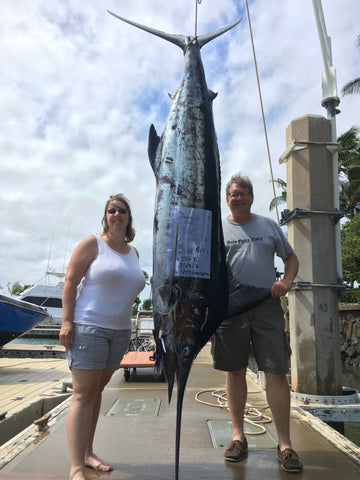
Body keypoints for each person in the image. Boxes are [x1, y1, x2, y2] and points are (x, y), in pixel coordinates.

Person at [212, 174, 302, 473]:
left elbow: (290, 258)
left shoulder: (268, 225)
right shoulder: (216, 228)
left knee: (275, 372)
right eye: (232, 194)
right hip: (230, 309)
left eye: (242, 194)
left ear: (251, 197)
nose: (237, 198)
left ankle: (285, 445)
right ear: (227, 199)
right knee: (235, 372)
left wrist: (286, 283)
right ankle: (238, 437)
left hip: (265, 304)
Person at [59, 194, 146, 480]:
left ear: (128, 218)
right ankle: (75, 467)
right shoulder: (92, 243)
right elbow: (71, 282)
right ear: (105, 216)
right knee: (83, 395)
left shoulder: (133, 253)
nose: (117, 214)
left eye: (122, 211)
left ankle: (88, 453)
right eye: (112, 210)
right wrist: (67, 322)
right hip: (88, 326)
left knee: (96, 393)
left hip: (120, 331)